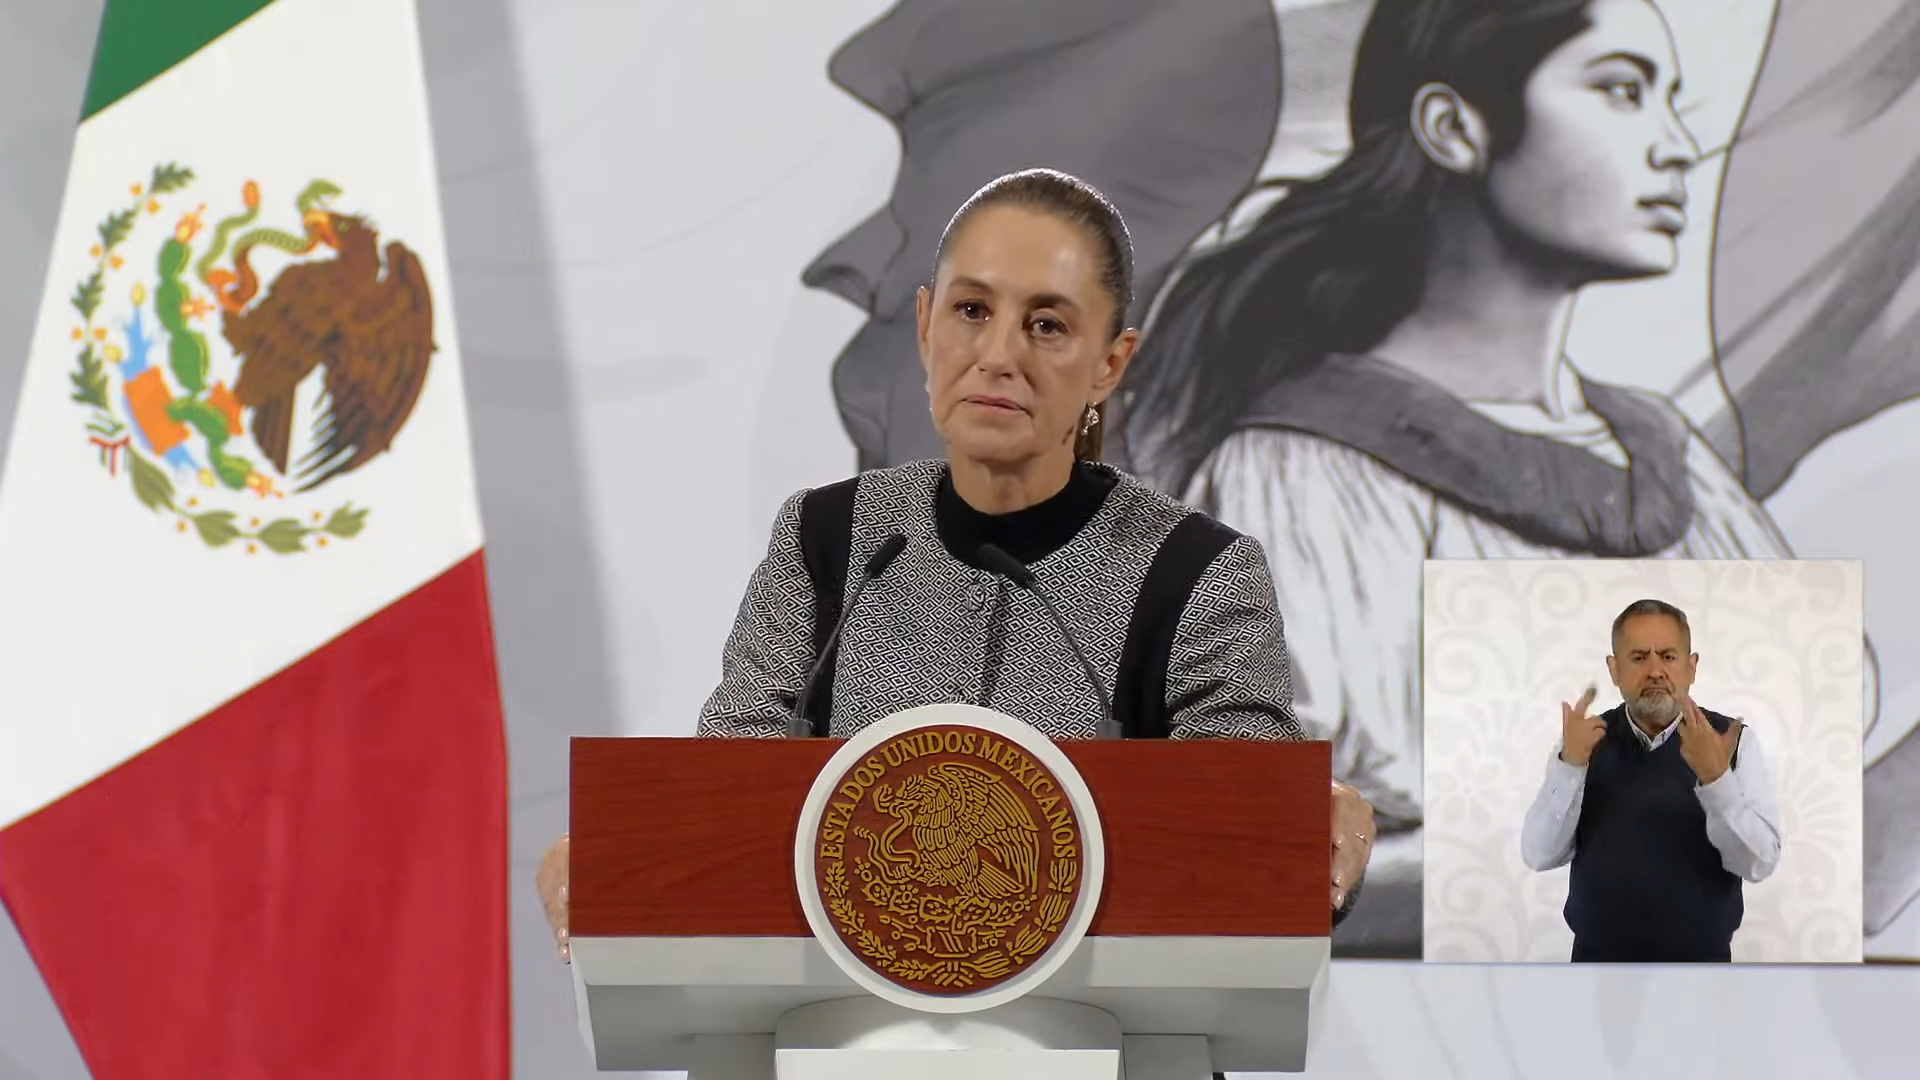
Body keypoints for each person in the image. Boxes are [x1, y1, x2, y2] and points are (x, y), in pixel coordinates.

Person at [536, 168, 1379, 966]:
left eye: (1048, 325)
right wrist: (623, 855)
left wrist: (1304, 831)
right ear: (925, 325)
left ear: (1111, 364)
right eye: (971, 310)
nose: (999, 354)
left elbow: (1241, 852)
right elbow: (728, 796)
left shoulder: (1197, 573)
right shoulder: (827, 541)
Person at [1116, 0, 1816, 956]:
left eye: (1671, 101)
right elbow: (1257, 853)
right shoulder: (1301, 472)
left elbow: (1803, 788)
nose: (1678, 147)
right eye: (1622, 91)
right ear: (1454, 127)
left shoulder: (1675, 459)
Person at [1520, 598, 1783, 963]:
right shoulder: (1583, 741)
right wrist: (1570, 766)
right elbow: (1538, 854)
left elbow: (1758, 863)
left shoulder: (1733, 742)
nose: (1655, 671)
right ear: (1614, 669)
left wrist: (1717, 779)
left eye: (1668, 656)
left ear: (1692, 667)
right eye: (1639, 657)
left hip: (1703, 972)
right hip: (1595, 970)